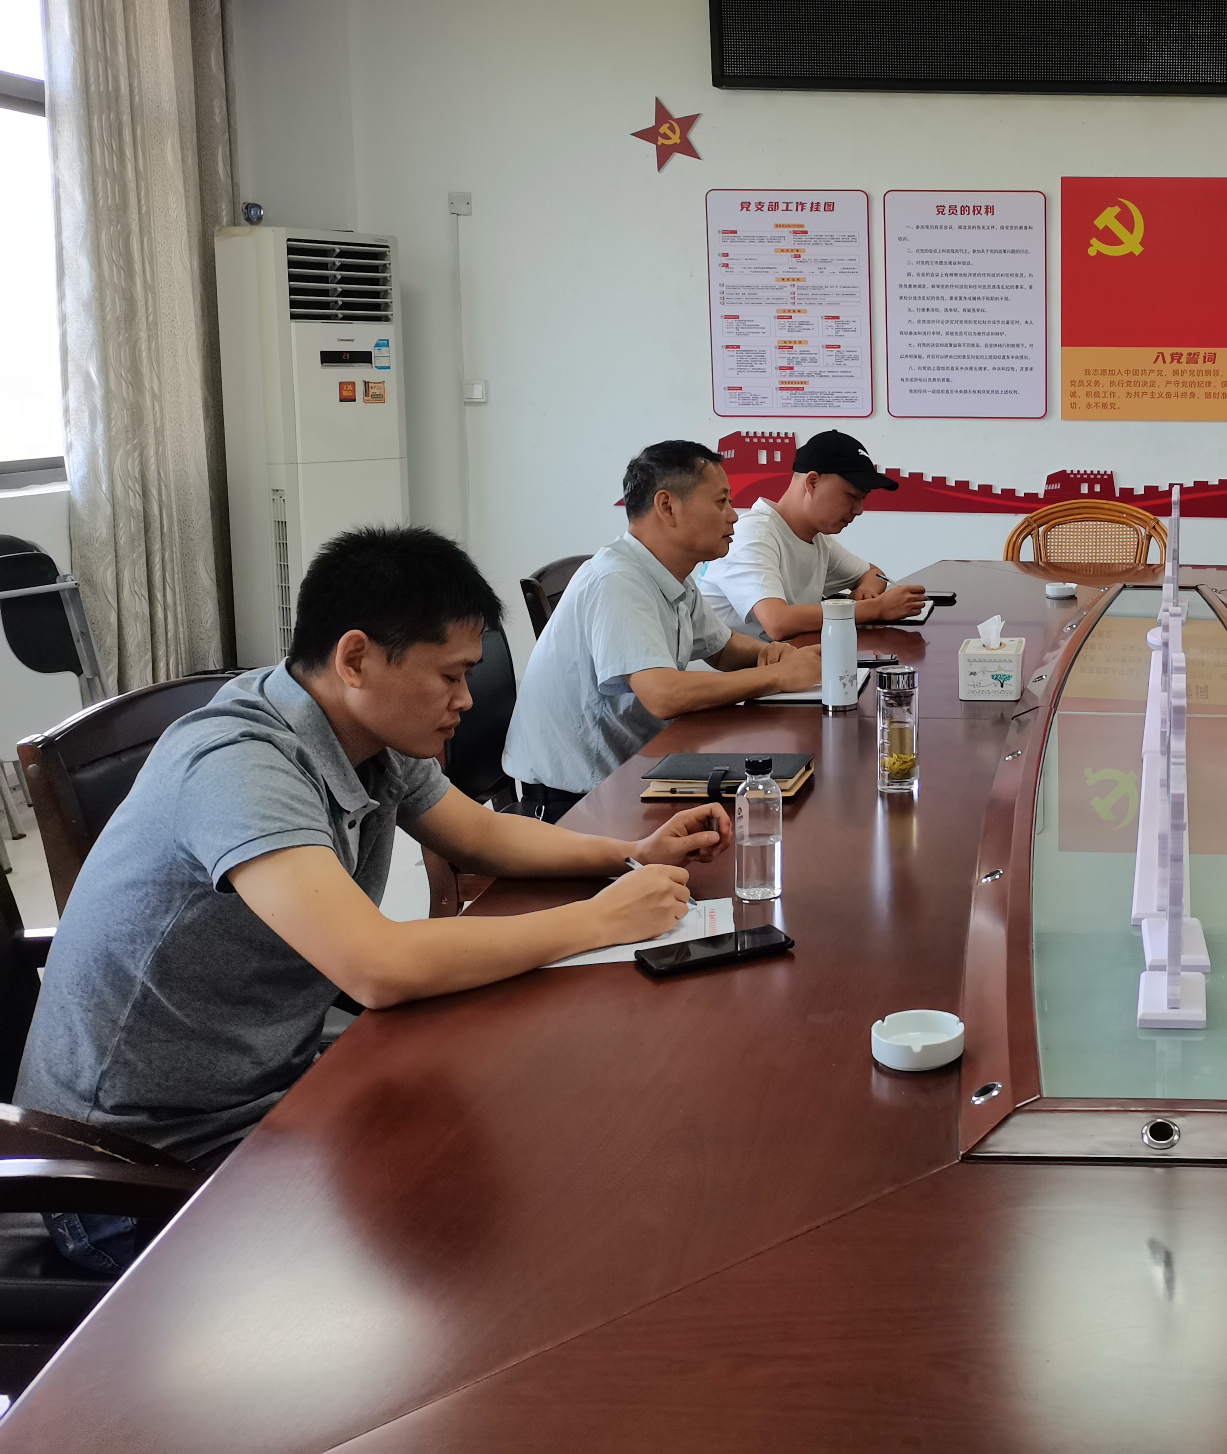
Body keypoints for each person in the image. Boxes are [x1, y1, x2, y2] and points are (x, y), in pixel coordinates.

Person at [16, 526, 725, 1275]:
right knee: (490, 1235)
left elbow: (481, 836)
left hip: (269, 1092)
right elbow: (376, 966)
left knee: (529, 1133)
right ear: (355, 658)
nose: (464, 700)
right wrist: (600, 919)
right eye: (450, 676)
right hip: (134, 1172)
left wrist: (629, 854)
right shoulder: (239, 764)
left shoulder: (365, 731)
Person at [504, 440, 820, 819]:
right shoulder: (617, 580)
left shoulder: (670, 573)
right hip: (577, 804)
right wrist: (777, 677)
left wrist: (771, 654)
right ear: (667, 506)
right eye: (721, 502)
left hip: (635, 770)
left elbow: (722, 648)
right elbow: (663, 694)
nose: (733, 516)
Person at [699, 429, 927, 640]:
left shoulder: (818, 539)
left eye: (863, 498)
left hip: (786, 661)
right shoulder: (752, 534)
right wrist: (875, 609)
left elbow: (874, 573)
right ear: (812, 482)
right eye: (851, 495)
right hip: (734, 668)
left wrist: (865, 591)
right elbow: (777, 622)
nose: (859, 510)